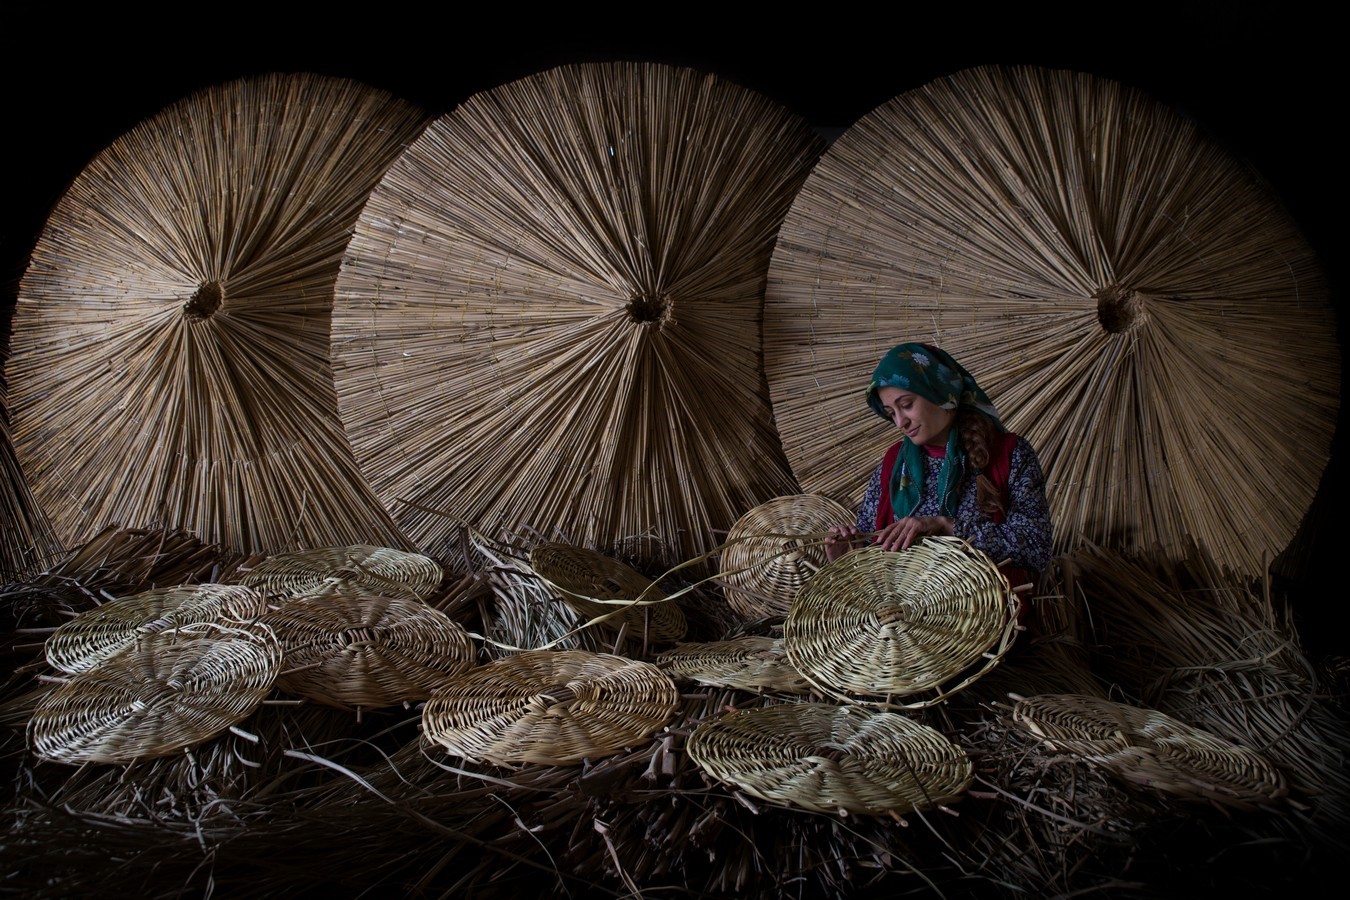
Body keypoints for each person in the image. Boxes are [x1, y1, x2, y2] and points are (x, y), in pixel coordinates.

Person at [825, 342, 1052, 590]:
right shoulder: (893, 464)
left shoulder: (1009, 453)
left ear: (940, 392)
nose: (900, 422)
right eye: (891, 413)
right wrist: (849, 553)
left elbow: (1036, 548)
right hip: (906, 619)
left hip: (989, 615)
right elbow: (874, 552)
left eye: (907, 404)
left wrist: (947, 527)